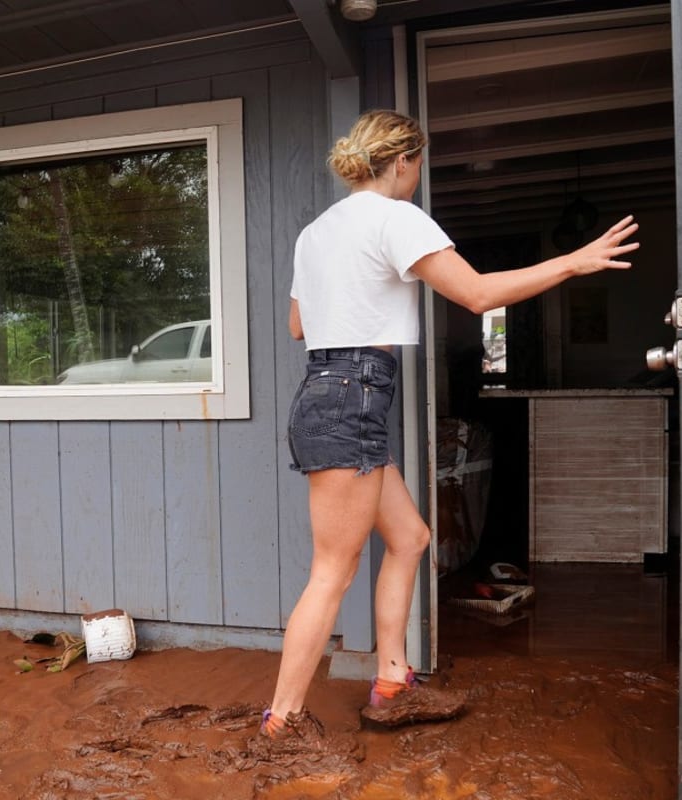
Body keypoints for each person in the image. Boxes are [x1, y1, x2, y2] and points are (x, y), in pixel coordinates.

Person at [260, 109, 639, 741]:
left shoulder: (316, 231)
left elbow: (299, 326)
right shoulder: (395, 217)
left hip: (329, 390)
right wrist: (573, 263)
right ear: (406, 161)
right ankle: (282, 725)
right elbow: (478, 295)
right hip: (353, 394)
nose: (419, 174)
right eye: (420, 164)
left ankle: (390, 683)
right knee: (333, 570)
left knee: (409, 537)